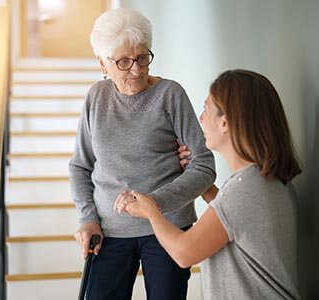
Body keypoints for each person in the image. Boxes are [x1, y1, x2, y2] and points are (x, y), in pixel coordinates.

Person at [69, 8, 216, 300]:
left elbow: (204, 166)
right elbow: (80, 167)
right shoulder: (96, 98)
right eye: (123, 62)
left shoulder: (170, 95)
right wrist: (87, 218)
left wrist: (153, 205)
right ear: (103, 63)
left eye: (142, 57)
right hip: (108, 231)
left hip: (168, 226)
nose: (135, 70)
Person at [122, 69, 302, 299]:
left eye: (206, 109)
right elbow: (234, 221)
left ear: (225, 122)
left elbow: (183, 252)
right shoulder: (262, 181)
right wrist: (205, 188)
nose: (201, 118)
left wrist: (151, 211)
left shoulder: (245, 189)